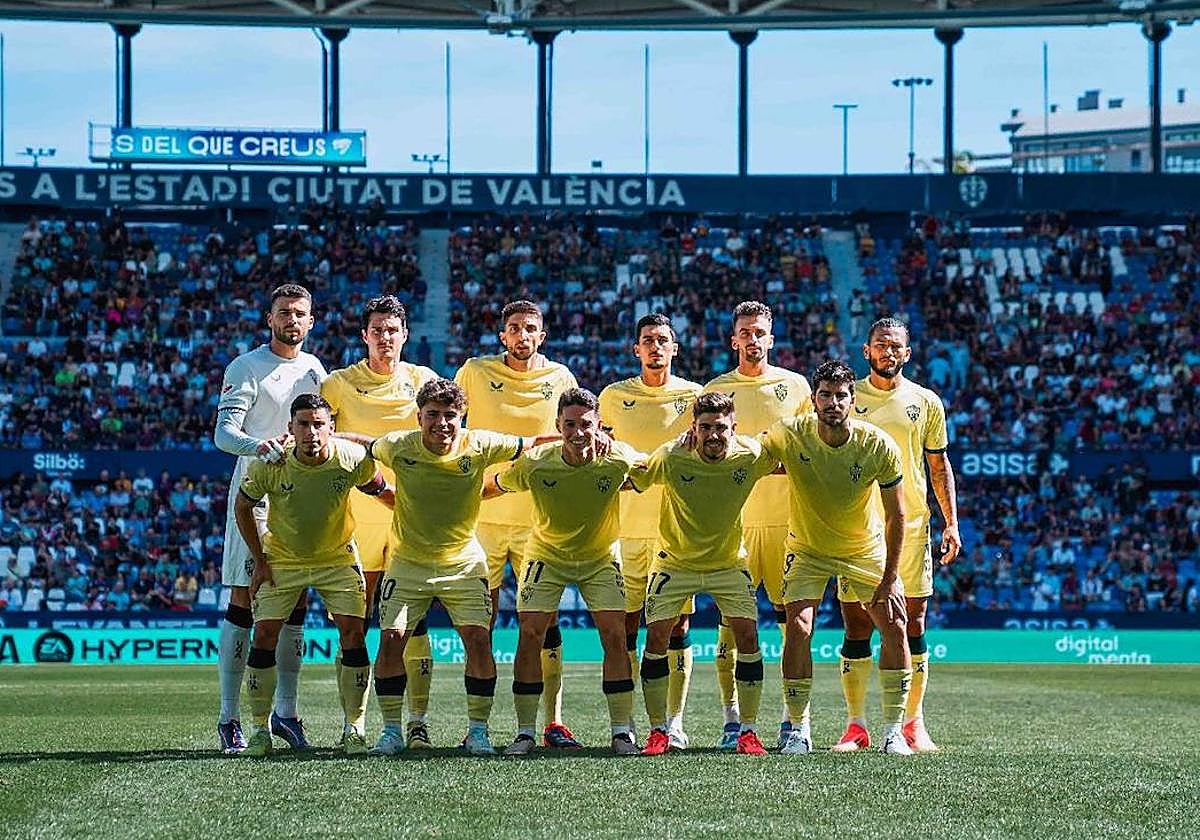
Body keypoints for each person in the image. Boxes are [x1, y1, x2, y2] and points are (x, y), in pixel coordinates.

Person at [362, 379, 558, 755]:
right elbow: (362, 444)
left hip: (463, 564)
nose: (442, 423)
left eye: (450, 415)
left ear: (462, 417)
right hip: (408, 564)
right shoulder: (398, 445)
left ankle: (478, 732)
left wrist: (584, 438)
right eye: (433, 415)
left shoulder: (480, 444)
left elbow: (533, 443)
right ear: (419, 417)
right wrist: (323, 436)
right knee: (391, 641)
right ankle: (391, 731)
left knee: (479, 641)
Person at [763, 359, 912, 756]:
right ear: (813, 399)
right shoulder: (789, 433)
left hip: (863, 548)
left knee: (895, 625)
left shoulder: (878, 444)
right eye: (825, 395)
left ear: (853, 399)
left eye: (841, 395)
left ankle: (893, 731)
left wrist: (891, 578)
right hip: (807, 548)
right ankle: (797, 729)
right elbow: (747, 453)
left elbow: (897, 515)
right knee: (798, 628)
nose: (833, 402)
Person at [483, 388, 640, 756]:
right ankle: (525, 733)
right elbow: (494, 486)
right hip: (547, 557)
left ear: (599, 425)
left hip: (600, 558)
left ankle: (621, 733)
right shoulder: (536, 463)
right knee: (530, 634)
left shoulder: (618, 458)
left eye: (586, 424)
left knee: (616, 635)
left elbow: (658, 469)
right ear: (557, 425)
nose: (578, 432)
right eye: (569, 424)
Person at [454, 300, 582, 748]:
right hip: (482, 518)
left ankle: (552, 723)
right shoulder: (474, 372)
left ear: (541, 335)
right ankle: (479, 728)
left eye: (530, 328)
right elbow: (451, 427)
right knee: (480, 624)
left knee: (544, 624)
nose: (521, 335)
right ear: (502, 335)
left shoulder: (561, 378)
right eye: (514, 327)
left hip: (538, 521)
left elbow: (575, 434)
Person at [235, 394, 391, 756]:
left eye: (318, 424)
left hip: (336, 558)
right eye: (303, 424)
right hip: (283, 559)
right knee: (264, 635)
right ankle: (259, 730)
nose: (311, 432)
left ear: (331, 427)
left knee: (354, 634)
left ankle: (354, 728)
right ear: (290, 428)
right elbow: (243, 506)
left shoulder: (351, 458)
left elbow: (380, 488)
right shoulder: (270, 463)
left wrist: (415, 510)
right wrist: (260, 560)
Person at [834, 317, 960, 753]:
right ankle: (855, 726)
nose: (888, 352)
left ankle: (912, 723)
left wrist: (951, 522)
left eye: (895, 346)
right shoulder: (846, 397)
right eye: (881, 345)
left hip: (911, 527)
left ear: (907, 353)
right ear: (866, 351)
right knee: (857, 624)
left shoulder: (925, 401)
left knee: (914, 622)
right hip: (858, 529)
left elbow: (938, 466)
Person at [631, 393, 778, 757]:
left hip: (728, 564)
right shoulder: (672, 456)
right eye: (705, 427)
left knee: (748, 637)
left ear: (734, 428)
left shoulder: (751, 455)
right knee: (657, 639)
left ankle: (747, 731)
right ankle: (658, 731)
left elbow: (785, 455)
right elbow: (638, 477)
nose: (713, 435)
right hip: (674, 562)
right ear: (693, 428)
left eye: (721, 428)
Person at [212, 283, 325, 754]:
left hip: (300, 499)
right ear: (270, 318)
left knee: (295, 600)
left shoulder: (316, 370)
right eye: (284, 312)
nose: (291, 320)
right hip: (254, 496)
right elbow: (224, 434)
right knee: (244, 597)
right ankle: (229, 718)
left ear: (310, 321)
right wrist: (261, 447)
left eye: (299, 313)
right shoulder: (246, 367)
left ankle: (287, 713)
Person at [322, 294, 439, 749]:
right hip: (354, 519)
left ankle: (417, 722)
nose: (385, 337)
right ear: (364, 335)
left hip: (408, 517)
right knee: (353, 626)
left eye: (393, 330)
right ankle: (354, 725)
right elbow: (320, 440)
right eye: (377, 330)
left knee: (412, 624)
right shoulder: (338, 384)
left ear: (405, 334)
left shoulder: (424, 380)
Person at [703, 300, 812, 750]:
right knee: (730, 626)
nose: (753, 339)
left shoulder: (796, 386)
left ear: (772, 338)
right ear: (734, 340)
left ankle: (795, 721)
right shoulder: (716, 389)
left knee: (794, 627)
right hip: (737, 527)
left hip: (787, 525)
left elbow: (807, 453)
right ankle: (732, 720)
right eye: (745, 332)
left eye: (760, 332)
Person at [597, 313, 702, 746]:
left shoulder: (695, 396)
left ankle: (673, 722)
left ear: (674, 348)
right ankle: (625, 724)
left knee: (676, 628)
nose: (655, 347)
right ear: (636, 349)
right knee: (623, 629)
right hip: (623, 532)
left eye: (662, 340)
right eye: (647, 340)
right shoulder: (612, 396)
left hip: (674, 532)